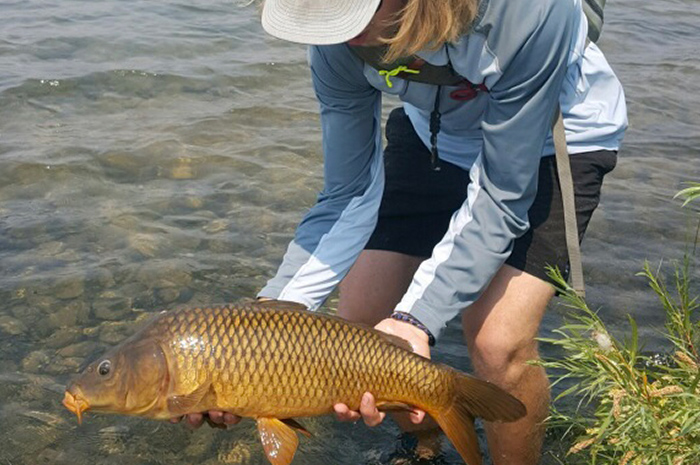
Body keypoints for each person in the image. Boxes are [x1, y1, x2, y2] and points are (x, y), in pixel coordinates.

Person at [176, 0, 627, 463]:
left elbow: (501, 195)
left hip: (551, 142)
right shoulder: (335, 42)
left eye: (348, 16)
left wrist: (417, 319)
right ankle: (426, 445)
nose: (336, 35)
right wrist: (266, 317)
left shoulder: (528, 14)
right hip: (435, 135)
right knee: (363, 318)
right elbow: (348, 192)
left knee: (497, 343)